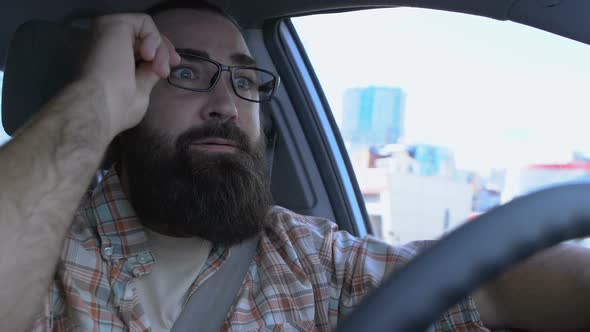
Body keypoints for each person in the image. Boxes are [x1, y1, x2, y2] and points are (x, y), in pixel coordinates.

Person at [1, 1, 590, 331]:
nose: (226, 105)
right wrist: (91, 107)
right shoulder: (48, 247)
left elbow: (486, 280)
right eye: (185, 71)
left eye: (245, 77)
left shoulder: (306, 256)